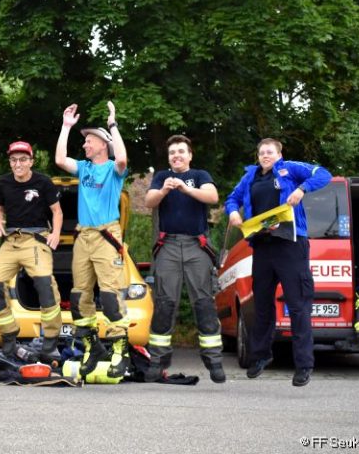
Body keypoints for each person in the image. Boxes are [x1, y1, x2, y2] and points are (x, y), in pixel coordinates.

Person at [225, 138, 332, 387]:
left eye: (270, 152)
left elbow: (323, 174)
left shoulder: (290, 169)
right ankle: (261, 356)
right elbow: (232, 198)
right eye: (262, 152)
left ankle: (304, 365)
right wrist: (232, 212)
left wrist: (302, 189)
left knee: (297, 305)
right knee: (261, 303)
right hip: (262, 246)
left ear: (279, 154)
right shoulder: (250, 177)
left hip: (290, 245)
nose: (265, 156)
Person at [55, 101, 129, 378]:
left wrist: (112, 124)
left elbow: (122, 159)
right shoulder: (84, 168)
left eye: (88, 140)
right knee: (78, 297)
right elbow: (60, 160)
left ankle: (121, 352)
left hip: (107, 235)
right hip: (83, 237)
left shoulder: (112, 169)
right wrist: (66, 127)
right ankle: (92, 346)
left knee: (110, 296)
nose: (84, 144)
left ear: (103, 145)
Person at [143, 135, 225, 383]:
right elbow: (149, 201)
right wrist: (165, 189)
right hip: (168, 245)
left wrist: (186, 188)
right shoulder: (161, 177)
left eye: (181, 151)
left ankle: (214, 362)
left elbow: (212, 197)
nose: (176, 155)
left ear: (190, 155)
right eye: (172, 153)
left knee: (204, 303)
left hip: (196, 246)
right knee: (165, 303)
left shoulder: (199, 175)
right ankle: (157, 363)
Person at [0, 141, 63, 362]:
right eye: (13, 160)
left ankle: (50, 343)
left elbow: (57, 212)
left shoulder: (43, 182)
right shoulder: (3, 183)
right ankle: (9, 340)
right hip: (11, 240)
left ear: (31, 161)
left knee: (44, 285)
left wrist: (56, 233)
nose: (17, 164)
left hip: (36, 239)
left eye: (22, 159)